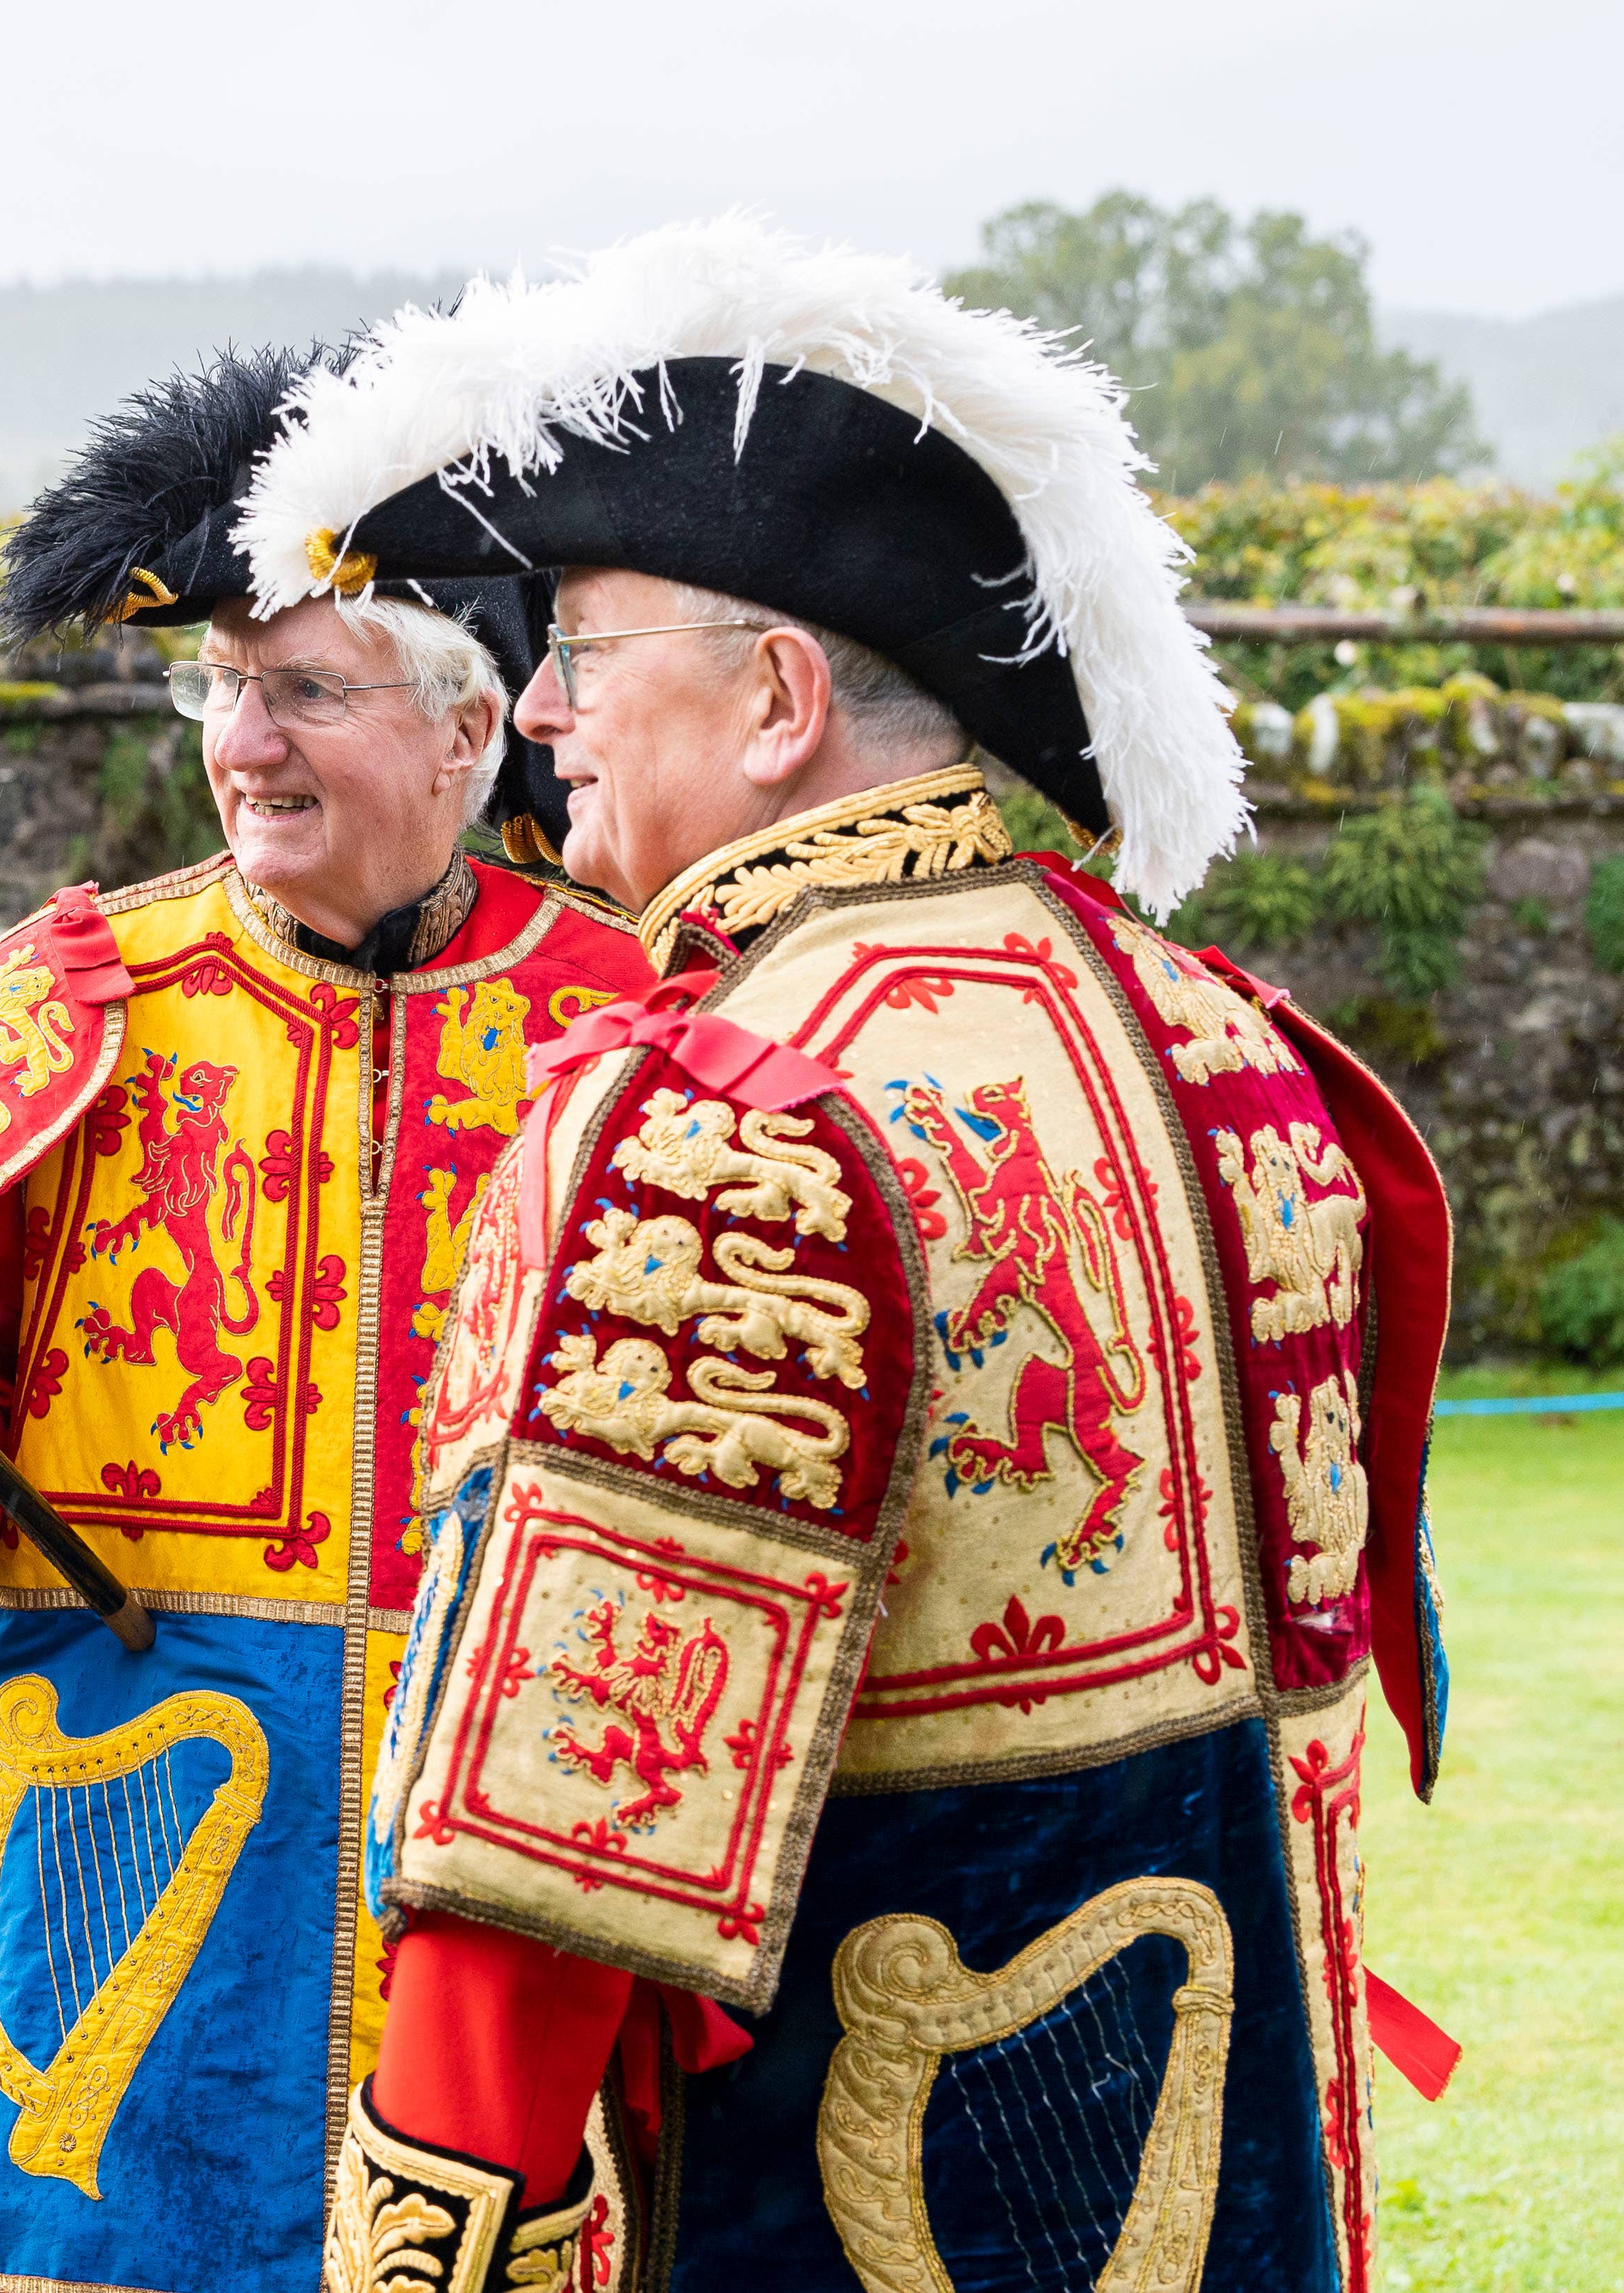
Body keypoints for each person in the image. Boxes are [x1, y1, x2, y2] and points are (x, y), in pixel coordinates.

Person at [227, 219, 1458, 2293]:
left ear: (781, 696)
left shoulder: (724, 1114)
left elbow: (542, 1887)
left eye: (586, 650)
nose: (538, 709)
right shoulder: (1239, 1050)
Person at [0, 344, 653, 2293]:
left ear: (474, 733)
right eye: (220, 684)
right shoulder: (65, 1009)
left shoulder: (644, 1034)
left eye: (305, 687)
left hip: (502, 1910)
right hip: (113, 1871)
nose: (243, 741)